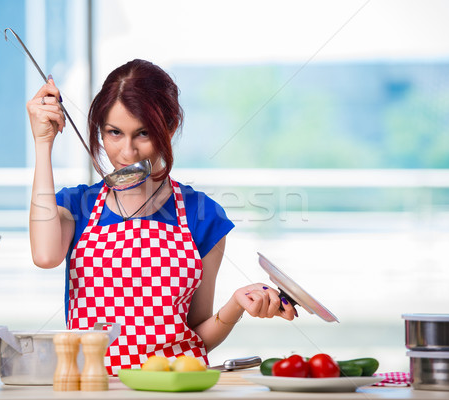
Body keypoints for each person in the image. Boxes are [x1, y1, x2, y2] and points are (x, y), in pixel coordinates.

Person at [27, 59, 296, 375]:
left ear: (169, 128)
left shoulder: (202, 214)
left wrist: (235, 305)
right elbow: (45, 256)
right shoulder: (76, 205)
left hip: (176, 388)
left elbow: (195, 336)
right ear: (99, 132)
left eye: (143, 133)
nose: (128, 153)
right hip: (96, 388)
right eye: (114, 133)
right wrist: (43, 144)